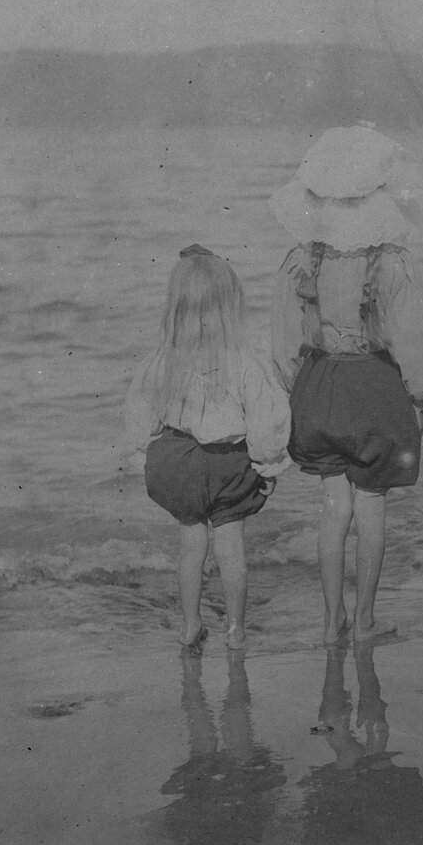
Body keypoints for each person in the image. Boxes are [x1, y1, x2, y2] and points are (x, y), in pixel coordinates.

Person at [269, 126, 423, 642]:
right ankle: (364, 619)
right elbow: (414, 346)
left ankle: (330, 621)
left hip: (319, 385)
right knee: (371, 508)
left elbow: (283, 345)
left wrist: (297, 391)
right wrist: (420, 395)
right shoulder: (391, 263)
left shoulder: (302, 260)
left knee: (333, 508)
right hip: (374, 388)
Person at [126, 244, 291, 649]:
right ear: (230, 304)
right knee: (231, 550)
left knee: (190, 545)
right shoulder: (243, 359)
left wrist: (141, 452)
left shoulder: (162, 358)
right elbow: (267, 421)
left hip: (176, 463)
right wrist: (268, 467)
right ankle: (235, 630)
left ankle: (189, 624)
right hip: (225, 465)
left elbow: (138, 413)